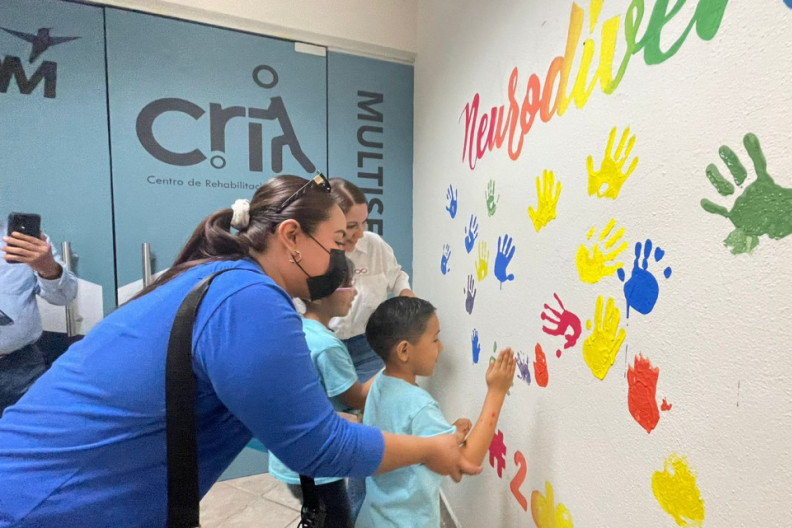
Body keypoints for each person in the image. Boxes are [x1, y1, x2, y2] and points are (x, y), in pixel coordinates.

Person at [0, 175, 478, 527]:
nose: (343, 259)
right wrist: (429, 448)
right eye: (335, 243)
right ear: (291, 236)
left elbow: (256, 414)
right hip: (49, 502)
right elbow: (320, 448)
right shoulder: (250, 301)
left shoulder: (218, 275)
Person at [356, 297, 516, 528]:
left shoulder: (380, 383)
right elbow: (465, 460)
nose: (440, 347)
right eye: (435, 339)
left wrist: (447, 431)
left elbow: (402, 432)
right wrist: (497, 392)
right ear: (404, 351)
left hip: (374, 515)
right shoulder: (419, 406)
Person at [268, 255, 371, 528]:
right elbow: (357, 397)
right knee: (335, 520)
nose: (356, 292)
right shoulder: (327, 346)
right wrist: (392, 365)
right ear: (325, 294)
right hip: (318, 467)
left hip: (293, 461)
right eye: (349, 284)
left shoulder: (297, 328)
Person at [329, 178, 414, 384]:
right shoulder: (316, 254)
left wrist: (408, 298)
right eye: (351, 226)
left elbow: (397, 277)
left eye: (364, 222)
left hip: (369, 346)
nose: (360, 233)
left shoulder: (374, 245)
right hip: (329, 348)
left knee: (371, 406)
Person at [0, 219, 77, 415]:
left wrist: (48, 267)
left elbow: (65, 296)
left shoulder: (22, 240)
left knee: (33, 440)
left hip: (21, 368)